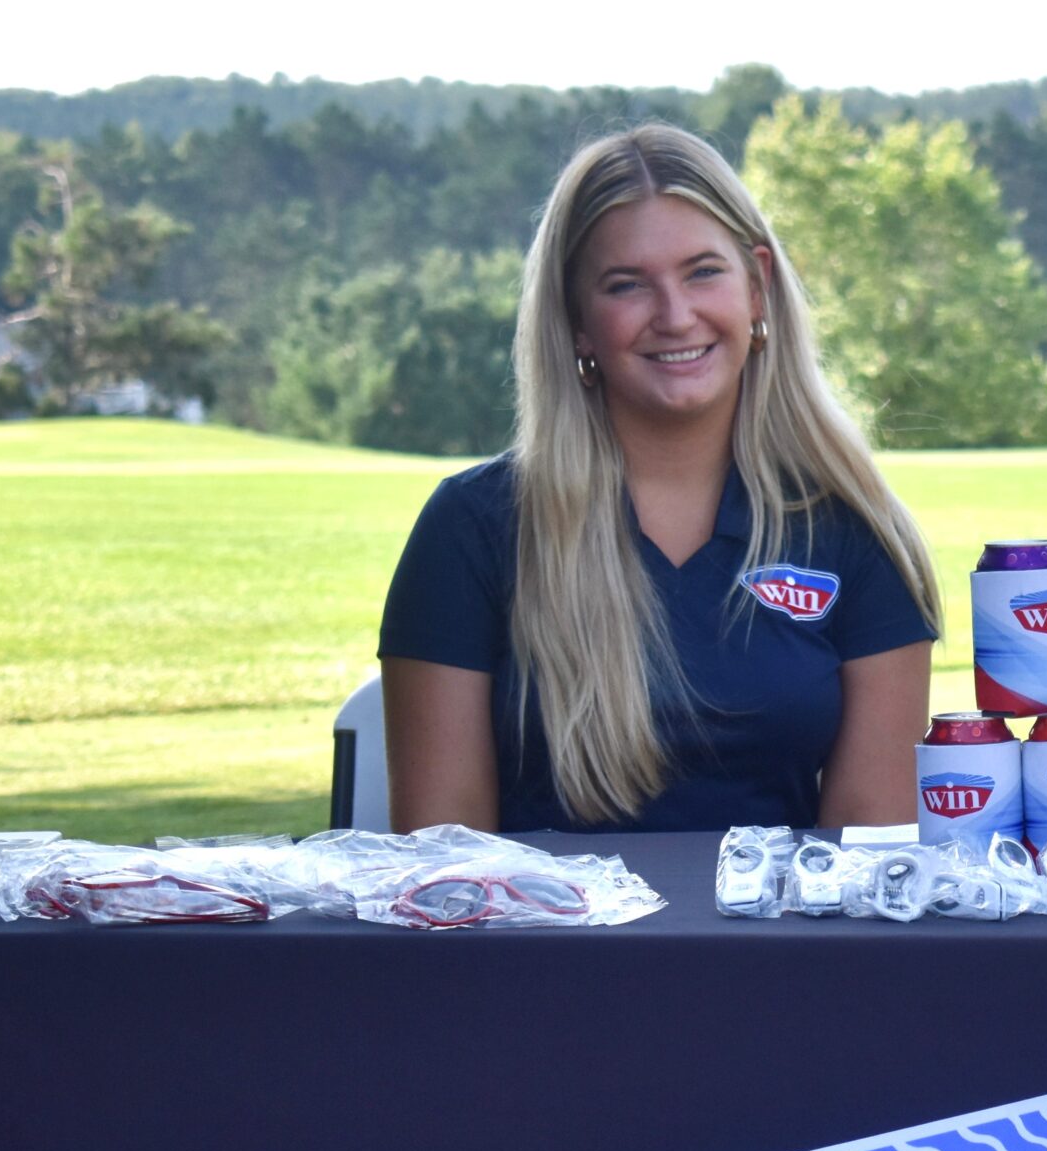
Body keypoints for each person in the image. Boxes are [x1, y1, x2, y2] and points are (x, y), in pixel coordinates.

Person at [379, 124, 938, 833]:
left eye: (704, 271)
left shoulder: (855, 528)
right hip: (540, 944)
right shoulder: (474, 529)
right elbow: (445, 853)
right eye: (626, 285)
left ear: (758, 287)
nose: (676, 316)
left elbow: (868, 844)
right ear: (577, 321)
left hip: (785, 943)